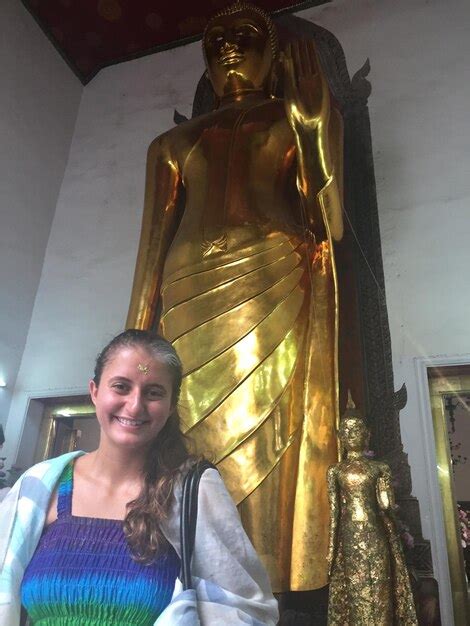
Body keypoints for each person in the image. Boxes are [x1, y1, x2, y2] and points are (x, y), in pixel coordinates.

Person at [126, 1, 344, 592]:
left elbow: (332, 227)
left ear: (272, 56)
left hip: (271, 283)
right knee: (183, 439)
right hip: (183, 292)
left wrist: (316, 124)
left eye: (244, 35)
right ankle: (178, 565)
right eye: (215, 38)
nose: (227, 45)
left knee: (268, 429)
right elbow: (149, 252)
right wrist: (131, 353)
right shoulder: (169, 144)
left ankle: (263, 573)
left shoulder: (293, 117)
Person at [0, 329, 278, 625]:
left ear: (171, 406)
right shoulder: (40, 486)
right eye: (121, 387)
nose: (134, 405)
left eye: (154, 392)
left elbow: (245, 608)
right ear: (94, 392)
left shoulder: (191, 491)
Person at [326, 399, 417, 625]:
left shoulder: (379, 468)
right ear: (340, 436)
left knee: (380, 585)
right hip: (349, 535)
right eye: (346, 430)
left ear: (367, 434)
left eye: (356, 429)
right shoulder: (335, 470)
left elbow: (386, 507)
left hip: (377, 532)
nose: (352, 434)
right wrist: (330, 550)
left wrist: (386, 495)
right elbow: (335, 512)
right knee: (356, 589)